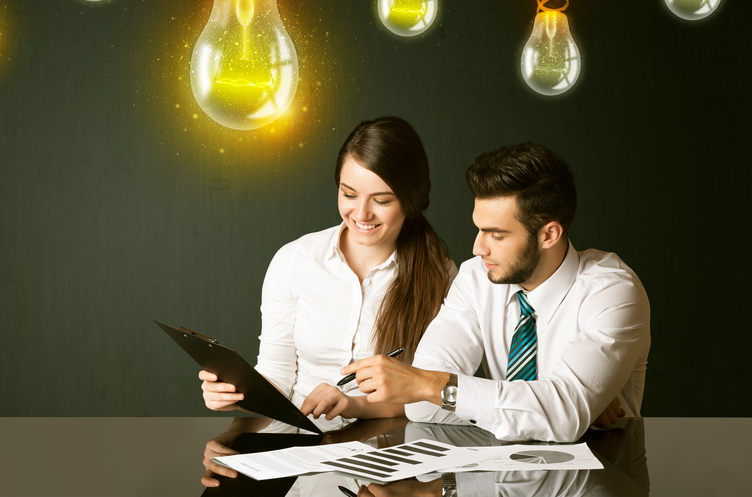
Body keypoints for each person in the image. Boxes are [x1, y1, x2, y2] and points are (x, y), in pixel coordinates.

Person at [199, 117, 455, 487]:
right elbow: (277, 376)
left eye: (381, 200)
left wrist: (354, 405)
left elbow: (433, 394)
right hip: (291, 457)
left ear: (412, 200)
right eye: (349, 194)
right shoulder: (294, 260)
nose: (361, 214)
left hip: (390, 463)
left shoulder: (443, 277)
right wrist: (236, 412)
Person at [341, 142, 650, 444]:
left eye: (497, 234)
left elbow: (563, 415)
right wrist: (551, 405)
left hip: (602, 475)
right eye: (479, 229)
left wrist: (560, 408)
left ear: (548, 234)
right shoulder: (477, 279)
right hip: (499, 482)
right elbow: (422, 406)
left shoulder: (613, 292)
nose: (478, 248)